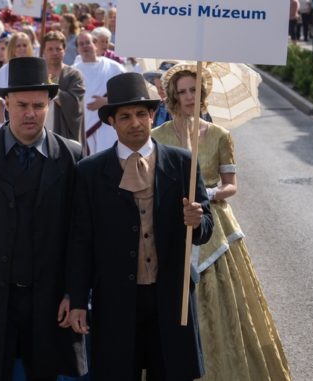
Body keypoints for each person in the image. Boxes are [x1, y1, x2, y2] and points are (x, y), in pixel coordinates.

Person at [0, 57, 87, 381]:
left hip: (50, 296)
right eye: (22, 104)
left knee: (46, 370)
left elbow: (79, 234)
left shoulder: (71, 156)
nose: (30, 113)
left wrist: (73, 292)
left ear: (49, 104)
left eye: (39, 105)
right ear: (5, 103)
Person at [67, 72, 213, 381]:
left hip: (171, 300)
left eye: (141, 114)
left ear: (151, 115)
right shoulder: (90, 172)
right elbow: (80, 241)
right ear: (113, 122)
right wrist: (78, 300)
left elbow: (206, 227)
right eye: (125, 116)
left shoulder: (183, 162)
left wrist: (197, 220)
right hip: (116, 302)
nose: (135, 123)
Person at [152, 63, 292, 381]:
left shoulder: (219, 135)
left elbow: (232, 184)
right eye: (183, 91)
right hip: (171, 223)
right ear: (172, 95)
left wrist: (211, 193)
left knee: (225, 298)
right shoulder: (156, 136)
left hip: (215, 223)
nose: (189, 96)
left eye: (195, 90)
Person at [72, 31, 125, 155]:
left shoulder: (114, 67)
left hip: (108, 123)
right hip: (83, 124)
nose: (85, 46)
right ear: (77, 49)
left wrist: (107, 101)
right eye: (81, 44)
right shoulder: (72, 71)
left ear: (95, 44)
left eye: (88, 43)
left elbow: (127, 92)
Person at [43, 30, 84, 143]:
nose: (54, 52)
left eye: (58, 49)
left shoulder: (73, 75)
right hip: (40, 132)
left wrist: (51, 85)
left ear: (64, 50)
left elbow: (76, 106)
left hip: (63, 135)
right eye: (50, 49)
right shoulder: (37, 74)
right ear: (44, 51)